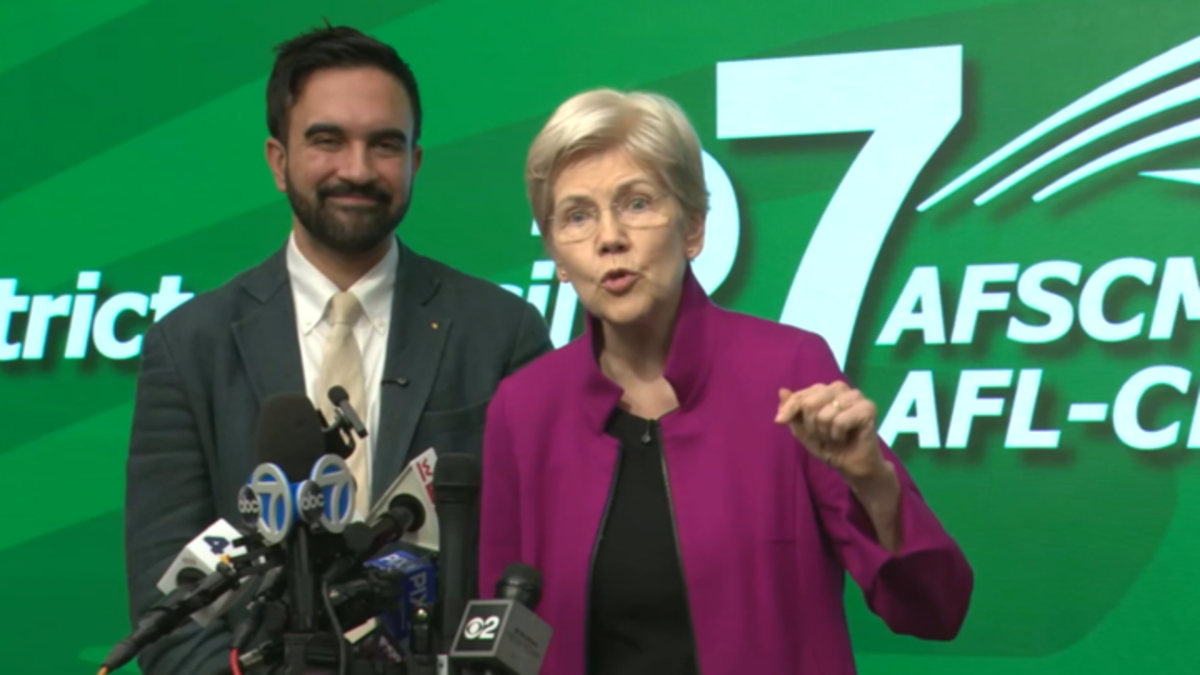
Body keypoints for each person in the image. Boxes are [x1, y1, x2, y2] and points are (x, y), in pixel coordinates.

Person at [477, 88, 974, 675]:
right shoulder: (525, 408)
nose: (609, 237)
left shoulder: (789, 371)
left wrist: (873, 482)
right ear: (558, 253)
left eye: (636, 203)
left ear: (693, 228)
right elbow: (500, 643)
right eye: (577, 216)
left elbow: (934, 609)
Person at [123, 25, 552, 675]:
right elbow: (170, 604)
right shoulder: (189, 348)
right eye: (327, 140)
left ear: (415, 161)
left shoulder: (503, 332)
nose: (357, 168)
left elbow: (537, 560)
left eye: (385, 144)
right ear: (277, 159)